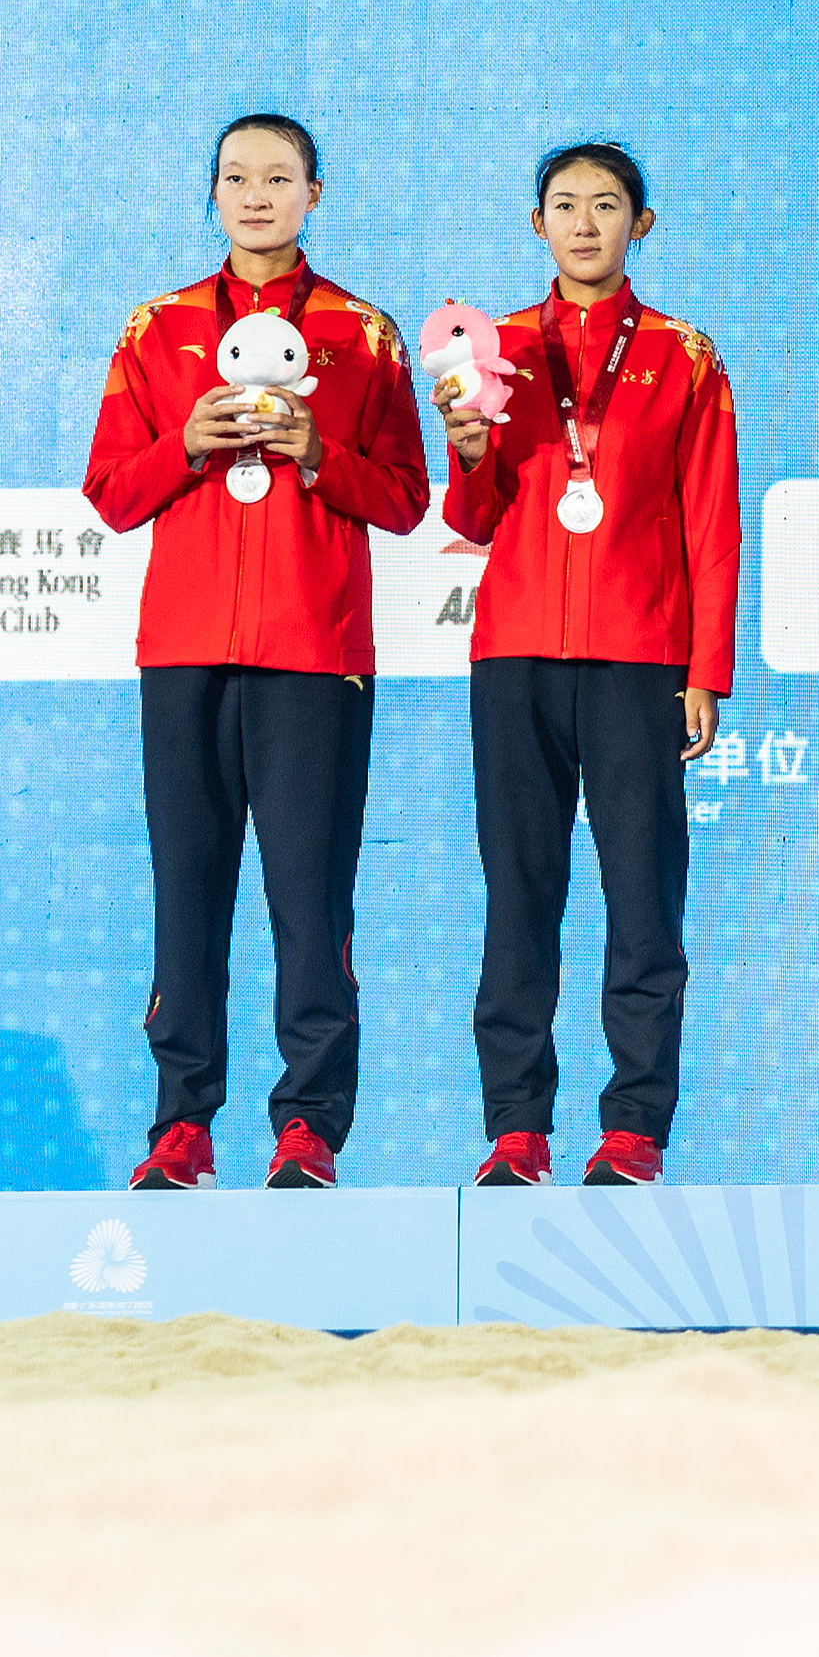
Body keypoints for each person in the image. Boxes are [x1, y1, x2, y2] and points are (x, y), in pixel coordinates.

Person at [86, 114, 429, 1189]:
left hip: (313, 659)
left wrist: (321, 456)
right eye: (236, 177)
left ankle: (309, 1126)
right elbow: (109, 493)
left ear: (315, 194)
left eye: (278, 178)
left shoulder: (364, 336)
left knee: (307, 899)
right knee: (187, 892)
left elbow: (410, 500)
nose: (256, 196)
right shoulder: (156, 330)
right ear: (214, 193)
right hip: (184, 654)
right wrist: (184, 445)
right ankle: (182, 1124)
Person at [437, 143, 742, 1188]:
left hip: (636, 659)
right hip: (514, 654)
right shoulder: (496, 349)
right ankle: (517, 1128)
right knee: (518, 895)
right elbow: (469, 518)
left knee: (643, 902)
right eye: (564, 207)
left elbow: (710, 522)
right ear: (536, 226)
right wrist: (472, 451)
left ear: (640, 226)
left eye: (606, 207)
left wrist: (705, 669)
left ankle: (634, 1131)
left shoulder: (685, 356)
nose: (584, 224)